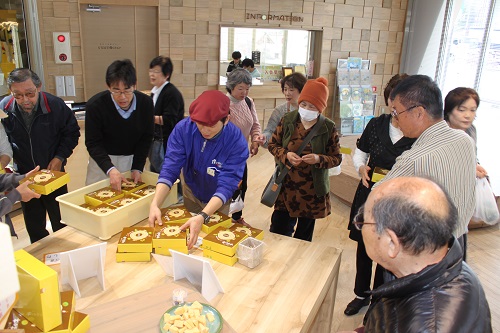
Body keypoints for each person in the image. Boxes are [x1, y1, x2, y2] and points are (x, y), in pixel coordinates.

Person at [358, 176, 491, 332]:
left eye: (363, 220)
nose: (360, 226)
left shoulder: (426, 326)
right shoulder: (454, 267)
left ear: (392, 242)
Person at [376, 74, 476, 260]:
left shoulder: (414, 159)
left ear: (419, 112)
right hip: (458, 246)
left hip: (424, 254)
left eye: (397, 112)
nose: (396, 120)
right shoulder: (465, 140)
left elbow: (375, 200)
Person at [344, 74, 416, 316]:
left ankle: (379, 299)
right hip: (369, 194)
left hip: (398, 201)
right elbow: (360, 153)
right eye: (392, 102)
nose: (396, 111)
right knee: (364, 247)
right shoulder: (376, 124)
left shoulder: (417, 132)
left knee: (388, 250)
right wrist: (361, 167)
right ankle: (360, 294)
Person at [148, 90, 248, 249]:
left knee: (213, 240)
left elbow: (227, 184)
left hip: (218, 200)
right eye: (200, 124)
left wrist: (203, 215)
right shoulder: (184, 129)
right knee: (189, 235)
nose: (205, 130)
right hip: (191, 189)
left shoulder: (236, 142)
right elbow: (170, 167)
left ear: (226, 119)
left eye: (212, 125)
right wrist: (155, 204)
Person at [0, 68, 80, 243]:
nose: (25, 100)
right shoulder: (5, 108)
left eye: (30, 93)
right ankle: (41, 258)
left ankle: (66, 253)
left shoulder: (55, 105)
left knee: (61, 220)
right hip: (25, 176)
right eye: (18, 95)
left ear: (39, 87)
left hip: (53, 173)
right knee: (34, 225)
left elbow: (72, 133)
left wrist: (60, 157)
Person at [267, 77, 342, 241]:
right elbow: (273, 145)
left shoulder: (328, 127)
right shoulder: (288, 120)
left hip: (312, 191)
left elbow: (336, 158)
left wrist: (318, 158)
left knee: (304, 237)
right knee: (278, 231)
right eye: (303, 104)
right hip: (286, 186)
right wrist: (285, 154)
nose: (306, 109)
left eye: (312, 106)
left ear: (320, 108)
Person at [85, 59, 154, 191]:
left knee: (132, 200)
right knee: (98, 198)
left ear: (135, 85)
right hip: (102, 161)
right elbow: (93, 143)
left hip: (131, 159)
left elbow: (146, 137)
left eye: (127, 90)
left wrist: (137, 167)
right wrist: (110, 169)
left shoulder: (145, 103)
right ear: (108, 86)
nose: (122, 97)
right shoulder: (95, 105)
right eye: (116, 91)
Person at [225, 68, 262, 226]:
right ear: (231, 86)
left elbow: (255, 124)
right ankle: (217, 218)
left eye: (247, 88)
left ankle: (236, 217)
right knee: (226, 187)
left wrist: (255, 139)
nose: (244, 92)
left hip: (241, 155)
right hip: (224, 155)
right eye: (241, 88)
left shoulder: (248, 102)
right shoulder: (223, 104)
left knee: (242, 186)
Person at [148, 56, 185, 173]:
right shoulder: (155, 91)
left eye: (156, 72)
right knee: (156, 172)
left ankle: (176, 192)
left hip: (167, 142)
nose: (152, 74)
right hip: (156, 141)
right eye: (151, 71)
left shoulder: (171, 93)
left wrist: (148, 118)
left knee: (168, 175)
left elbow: (169, 119)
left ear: (167, 74)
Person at [444, 87, 488, 179]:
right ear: (448, 111)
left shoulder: (471, 130)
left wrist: (475, 165)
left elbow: (472, 156)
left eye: (473, 110)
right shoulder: (440, 131)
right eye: (461, 110)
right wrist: (470, 170)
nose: (468, 115)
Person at [260, 72, 307, 147]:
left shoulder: (310, 110)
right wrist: (264, 137)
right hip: (284, 154)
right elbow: (270, 131)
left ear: (302, 90)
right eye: (285, 89)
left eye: (291, 90)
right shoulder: (280, 111)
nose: (287, 93)